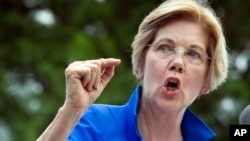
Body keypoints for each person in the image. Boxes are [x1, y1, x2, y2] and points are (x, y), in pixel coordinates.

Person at [37, 0, 229, 140]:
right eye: (164, 47)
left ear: (206, 81)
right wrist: (72, 110)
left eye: (193, 54)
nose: (177, 62)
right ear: (141, 66)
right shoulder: (94, 124)